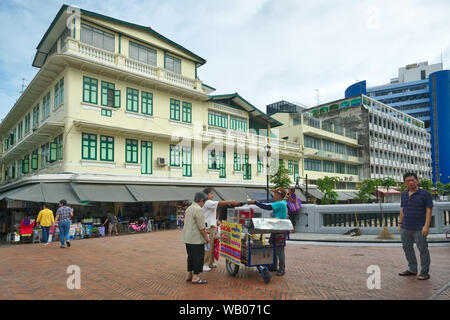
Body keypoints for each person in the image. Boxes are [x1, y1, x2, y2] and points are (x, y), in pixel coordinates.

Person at [398, 172, 433, 280]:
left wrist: (426, 226)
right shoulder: (403, 194)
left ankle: (424, 272)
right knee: (407, 248)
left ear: (417, 181)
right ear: (405, 183)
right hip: (405, 227)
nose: (411, 182)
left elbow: (428, 211)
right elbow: (402, 209)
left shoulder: (425, 194)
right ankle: (412, 269)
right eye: (408, 181)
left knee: (423, 249)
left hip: (419, 228)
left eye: (413, 180)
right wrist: (400, 224)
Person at [248, 187, 288, 276]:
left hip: (279, 229)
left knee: (279, 250)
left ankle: (282, 269)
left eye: (275, 194)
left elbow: (267, 207)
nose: (273, 195)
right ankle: (273, 266)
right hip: (276, 228)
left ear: (278, 195)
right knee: (273, 248)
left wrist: (255, 202)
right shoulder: (282, 202)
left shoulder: (280, 203)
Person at [201, 188, 240, 272]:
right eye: (211, 193)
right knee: (208, 246)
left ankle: (210, 262)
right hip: (208, 228)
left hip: (212, 226)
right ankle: (205, 264)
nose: (212, 195)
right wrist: (230, 201)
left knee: (211, 246)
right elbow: (220, 203)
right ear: (206, 195)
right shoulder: (207, 202)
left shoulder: (209, 202)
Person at [182, 192, 210, 284]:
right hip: (196, 239)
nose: (204, 204)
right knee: (198, 257)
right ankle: (196, 277)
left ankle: (189, 275)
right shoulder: (198, 210)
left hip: (187, 238)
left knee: (190, 257)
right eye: (204, 202)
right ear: (201, 200)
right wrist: (207, 238)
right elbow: (202, 228)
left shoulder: (189, 208)